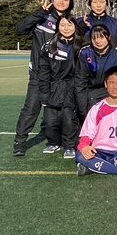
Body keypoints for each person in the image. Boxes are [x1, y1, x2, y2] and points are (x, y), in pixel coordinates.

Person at [13, 0, 74, 156]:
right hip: (39, 74)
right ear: (52, 0)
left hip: (61, 77)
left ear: (70, 2)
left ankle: (61, 140)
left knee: (64, 110)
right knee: (32, 107)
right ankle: (19, 142)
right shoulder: (42, 18)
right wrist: (40, 13)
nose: (62, 2)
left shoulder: (70, 22)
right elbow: (20, 29)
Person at [38, 15, 83, 159]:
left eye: (69, 25)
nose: (66, 28)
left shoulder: (82, 46)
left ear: (75, 26)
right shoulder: (49, 46)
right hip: (53, 87)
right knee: (50, 120)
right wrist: (44, 94)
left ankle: (69, 146)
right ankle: (53, 142)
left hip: (72, 87)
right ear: (57, 27)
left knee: (69, 118)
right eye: (62, 25)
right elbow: (43, 71)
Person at [74, 24, 117, 121]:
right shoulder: (85, 53)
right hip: (92, 93)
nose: (98, 41)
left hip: (113, 92)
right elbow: (80, 82)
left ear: (108, 37)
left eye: (101, 37)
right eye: (94, 38)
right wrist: (83, 111)